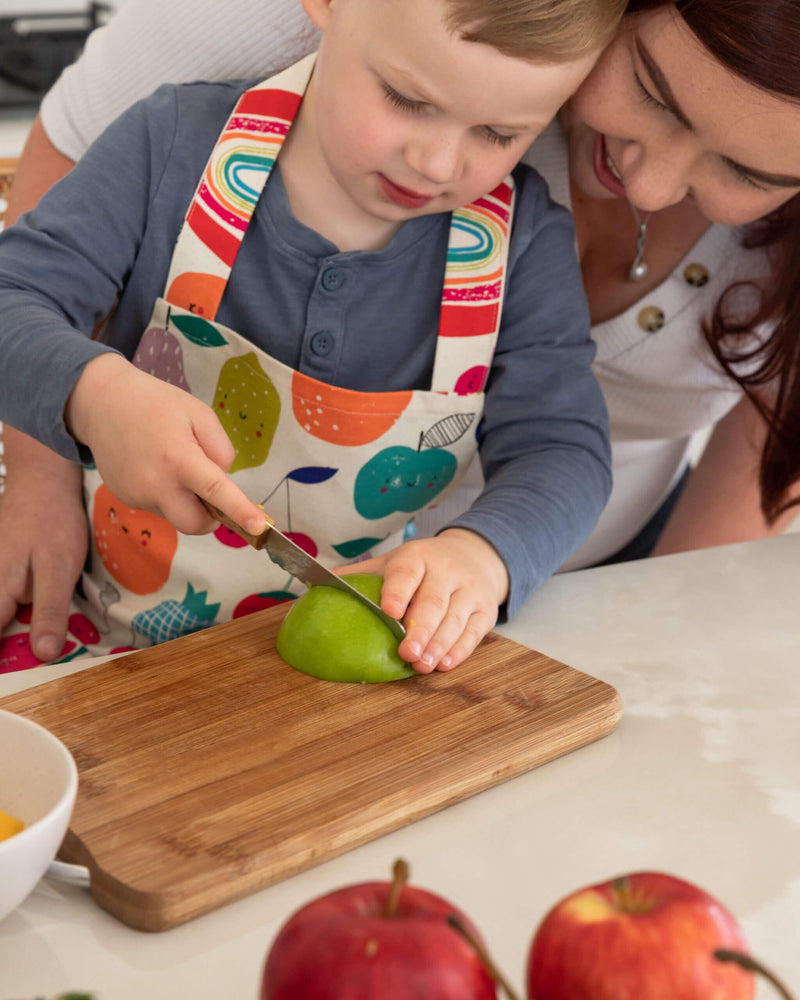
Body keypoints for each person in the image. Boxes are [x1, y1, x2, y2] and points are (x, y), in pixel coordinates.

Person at [5, 0, 800, 660]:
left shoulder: (519, 244)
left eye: (498, 134)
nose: (437, 161)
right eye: (408, 99)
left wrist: (482, 553)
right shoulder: (170, 144)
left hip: (329, 682)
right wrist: (91, 392)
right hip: (85, 630)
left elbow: (562, 450)